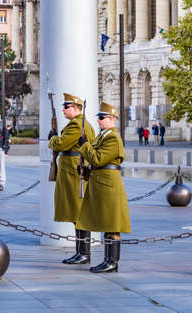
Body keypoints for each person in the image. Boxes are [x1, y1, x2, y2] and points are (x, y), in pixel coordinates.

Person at [76, 102, 131, 273]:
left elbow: (98, 159)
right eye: (98, 117)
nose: (98, 121)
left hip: (108, 185)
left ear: (112, 119)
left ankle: (112, 261)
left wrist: (84, 145)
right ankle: (106, 259)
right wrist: (85, 171)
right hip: (100, 183)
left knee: (111, 223)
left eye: (101, 118)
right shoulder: (103, 136)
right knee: (105, 222)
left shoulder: (113, 138)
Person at [48, 93, 95, 265]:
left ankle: (84, 253)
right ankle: (80, 252)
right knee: (77, 213)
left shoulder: (76, 125)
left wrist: (52, 139)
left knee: (79, 213)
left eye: (66, 107)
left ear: (75, 108)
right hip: (72, 170)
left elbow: (61, 144)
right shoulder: (78, 124)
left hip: (74, 171)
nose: (63, 109)